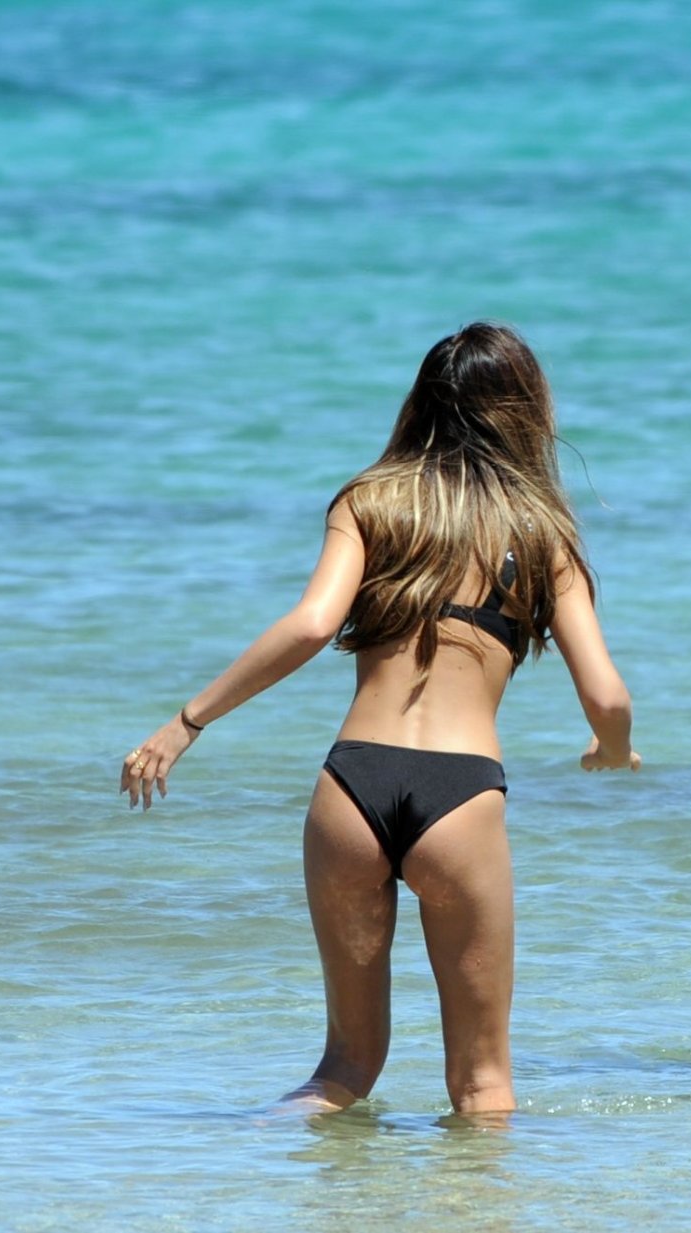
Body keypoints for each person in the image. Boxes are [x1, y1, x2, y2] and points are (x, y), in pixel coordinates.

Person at [120, 322, 640, 1115]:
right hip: (459, 795)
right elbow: (607, 695)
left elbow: (309, 625)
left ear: (423, 402)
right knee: (482, 1083)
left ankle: (249, 1159)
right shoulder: (543, 533)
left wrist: (186, 722)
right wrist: (612, 748)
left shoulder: (370, 500)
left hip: (352, 785)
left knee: (344, 1067)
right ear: (527, 410)